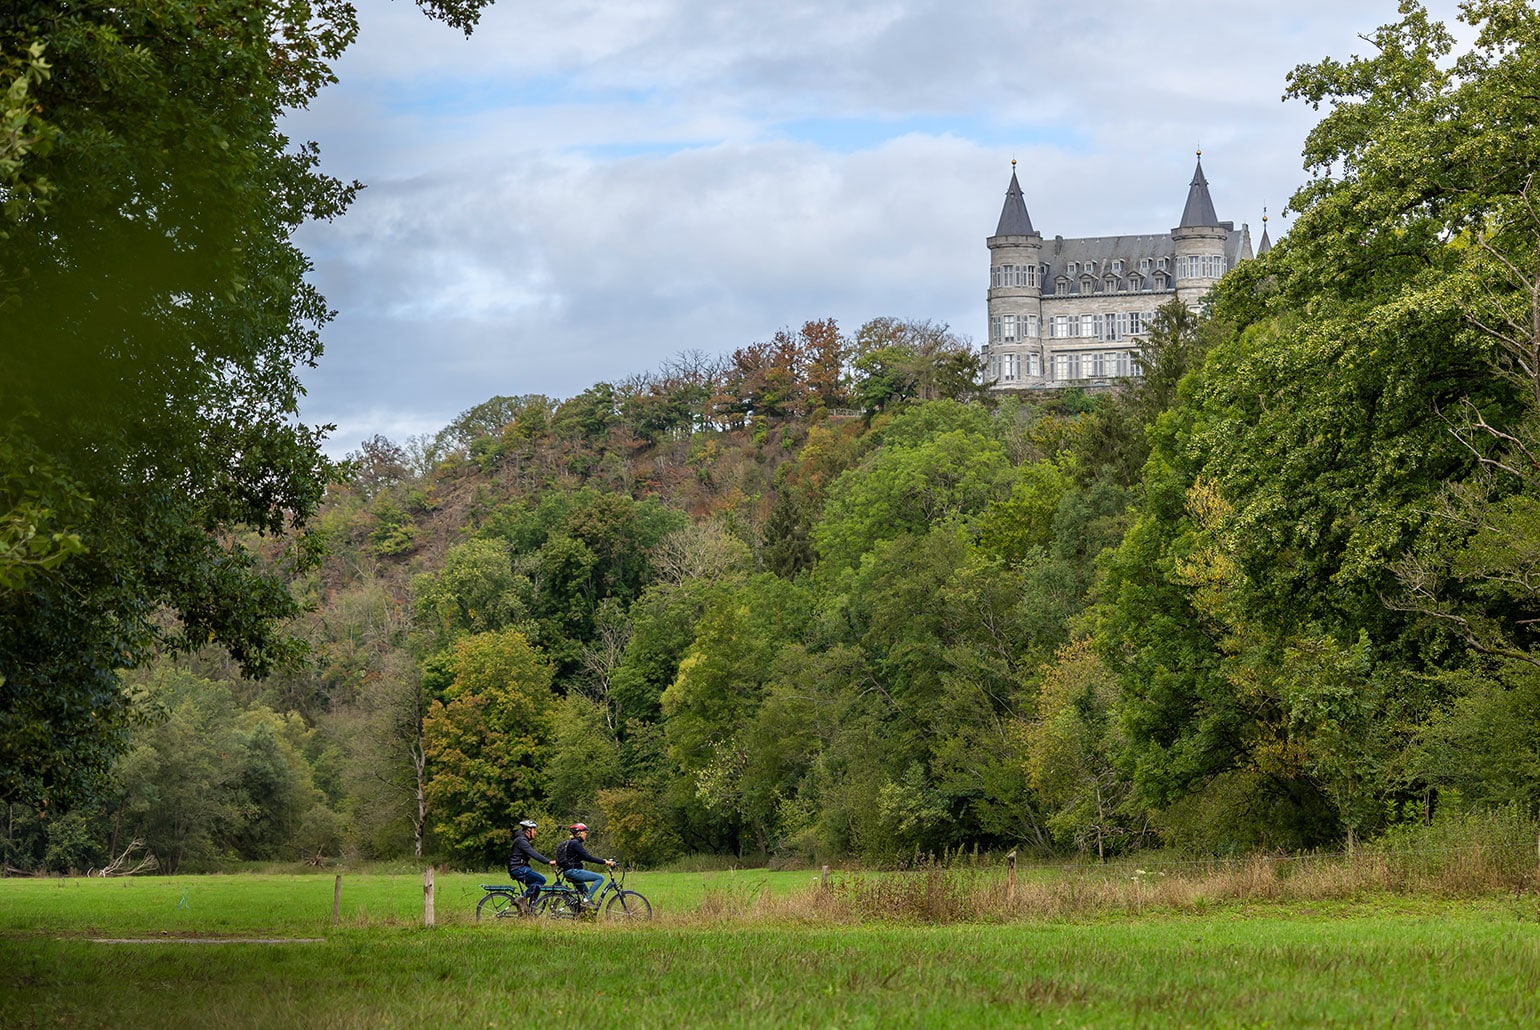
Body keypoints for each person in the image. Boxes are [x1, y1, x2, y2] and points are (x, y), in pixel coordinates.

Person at [555, 823, 616, 906]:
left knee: (586, 894)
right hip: (573, 872)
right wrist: (605, 862)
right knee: (600, 878)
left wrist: (603, 861)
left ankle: (584, 910)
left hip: (570, 871)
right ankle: (586, 900)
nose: (586, 834)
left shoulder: (572, 843)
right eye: (584, 832)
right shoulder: (575, 844)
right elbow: (588, 857)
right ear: (579, 833)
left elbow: (583, 857)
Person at [507, 819, 558, 912]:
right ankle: (522, 899)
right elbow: (533, 853)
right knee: (541, 879)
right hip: (518, 869)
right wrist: (548, 862)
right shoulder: (521, 841)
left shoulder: (522, 840)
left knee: (536, 887)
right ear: (528, 830)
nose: (536, 832)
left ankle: (529, 911)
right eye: (534, 830)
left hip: (519, 868)